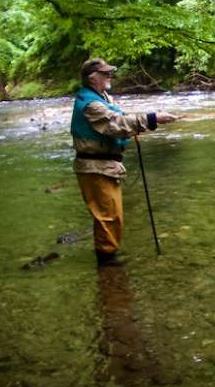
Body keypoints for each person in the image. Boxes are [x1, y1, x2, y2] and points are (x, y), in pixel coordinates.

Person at [71, 58, 177, 267]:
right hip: (95, 168)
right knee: (108, 216)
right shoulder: (91, 104)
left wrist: (140, 123)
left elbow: (121, 118)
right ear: (92, 78)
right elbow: (115, 124)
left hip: (104, 167)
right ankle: (107, 262)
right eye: (105, 73)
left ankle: (108, 261)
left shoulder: (102, 97)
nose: (110, 76)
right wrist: (151, 119)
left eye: (110, 72)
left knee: (111, 215)